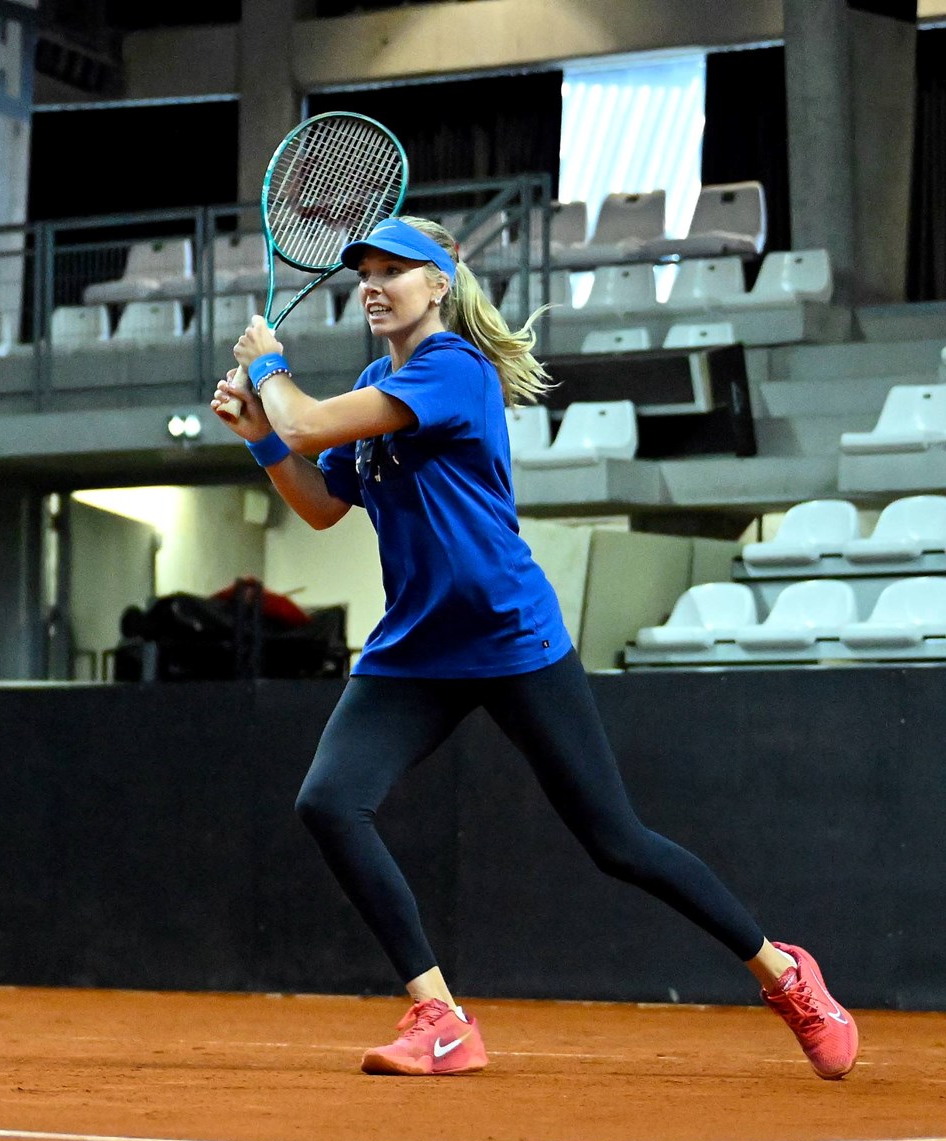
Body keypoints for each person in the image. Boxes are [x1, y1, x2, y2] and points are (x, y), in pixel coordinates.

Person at [211, 216, 858, 1079]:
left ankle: (785, 974)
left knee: (617, 842)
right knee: (329, 801)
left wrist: (269, 370)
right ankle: (439, 1015)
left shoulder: (456, 371)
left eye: (394, 270)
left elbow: (306, 423)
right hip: (416, 650)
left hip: (511, 637)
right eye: (364, 270)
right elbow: (323, 503)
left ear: (439, 283)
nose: (373, 282)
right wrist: (258, 433)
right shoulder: (376, 379)